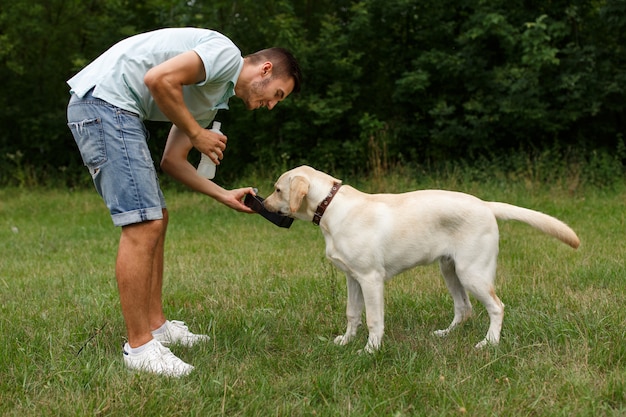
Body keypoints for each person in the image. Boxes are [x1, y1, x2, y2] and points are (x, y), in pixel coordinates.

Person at [66, 27, 302, 377]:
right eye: (277, 94)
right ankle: (140, 347)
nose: (270, 105)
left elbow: (172, 161)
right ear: (265, 70)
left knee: (156, 215)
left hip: (115, 110)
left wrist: (224, 194)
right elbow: (157, 78)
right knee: (143, 223)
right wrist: (196, 133)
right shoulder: (224, 54)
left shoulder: (214, 96)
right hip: (104, 104)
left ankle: (156, 325)